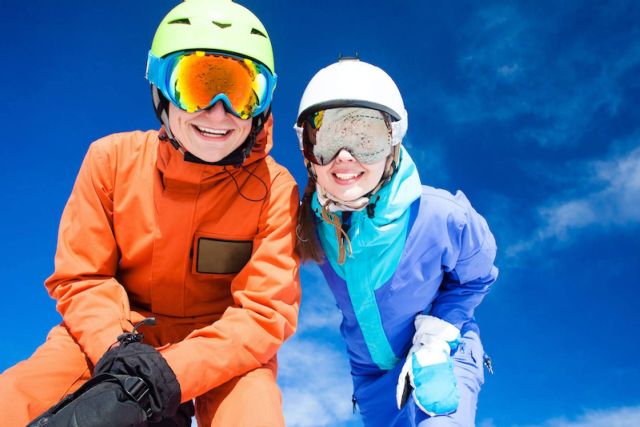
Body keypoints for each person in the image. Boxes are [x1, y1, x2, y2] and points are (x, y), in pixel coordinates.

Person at [0, 0, 301, 426]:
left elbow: (263, 313)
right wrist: (119, 354)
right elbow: (83, 277)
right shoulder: (112, 161)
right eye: (196, 86)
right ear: (161, 88)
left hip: (223, 347)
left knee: (253, 416)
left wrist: (167, 376)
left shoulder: (274, 189)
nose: (218, 111)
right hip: (114, 333)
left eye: (240, 92)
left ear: (264, 103)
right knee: (14, 398)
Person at [294, 57, 498, 426]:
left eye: (365, 139)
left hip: (440, 355)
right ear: (308, 149)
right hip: (372, 379)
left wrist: (438, 335)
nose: (345, 157)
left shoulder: (442, 215)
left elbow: (477, 277)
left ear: (392, 143)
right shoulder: (308, 224)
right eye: (327, 139)